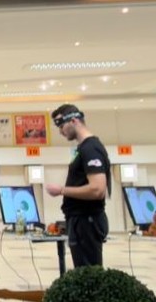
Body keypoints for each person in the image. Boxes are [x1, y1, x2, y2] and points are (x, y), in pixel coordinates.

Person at [46, 105, 110, 268]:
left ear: (74, 121)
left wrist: (61, 190)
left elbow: (97, 189)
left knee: (88, 275)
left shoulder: (91, 148)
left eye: (61, 126)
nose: (60, 131)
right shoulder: (84, 148)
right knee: (83, 272)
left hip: (86, 221)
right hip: (80, 221)